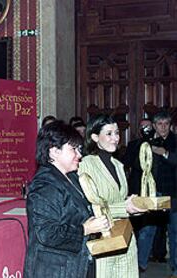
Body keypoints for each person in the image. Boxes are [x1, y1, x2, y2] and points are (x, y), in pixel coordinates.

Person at [24, 121, 110, 278]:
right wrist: (85, 229)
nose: (79, 155)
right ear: (54, 151)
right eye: (73, 149)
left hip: (75, 265)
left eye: (79, 149)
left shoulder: (71, 177)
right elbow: (47, 233)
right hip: (54, 270)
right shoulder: (45, 185)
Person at [78, 114, 145, 278]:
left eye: (117, 133)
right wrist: (125, 208)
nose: (115, 138)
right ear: (94, 137)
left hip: (125, 236)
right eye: (109, 133)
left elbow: (120, 199)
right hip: (103, 238)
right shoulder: (85, 164)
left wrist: (135, 205)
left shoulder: (118, 165)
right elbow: (90, 206)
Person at [136, 110, 177, 276]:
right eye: (159, 124)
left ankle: (175, 266)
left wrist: (164, 153)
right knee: (147, 230)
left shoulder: (175, 141)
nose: (163, 127)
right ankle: (139, 265)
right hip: (154, 193)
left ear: (170, 125)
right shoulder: (147, 142)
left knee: (175, 231)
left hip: (173, 192)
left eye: (166, 124)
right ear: (154, 126)